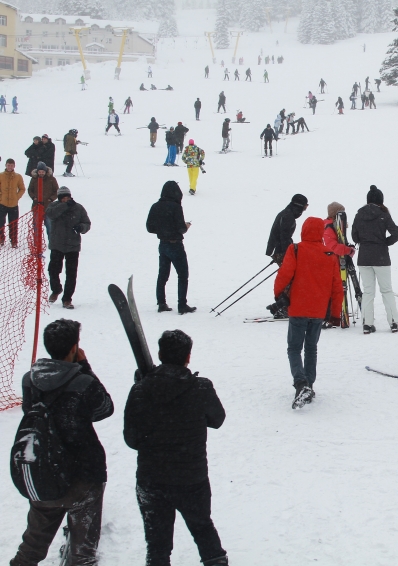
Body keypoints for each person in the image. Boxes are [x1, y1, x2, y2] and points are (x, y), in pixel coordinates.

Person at [9, 318, 114, 566]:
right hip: (83, 475)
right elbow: (104, 409)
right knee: (82, 554)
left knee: (32, 545)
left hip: (44, 470)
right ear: (73, 349)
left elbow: (29, 411)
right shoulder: (83, 382)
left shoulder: (29, 379)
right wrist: (84, 366)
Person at [123, 329, 228, 566]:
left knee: (157, 546)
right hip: (192, 478)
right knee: (203, 528)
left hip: (152, 480)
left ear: (160, 354)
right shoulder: (201, 388)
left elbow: (132, 439)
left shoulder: (140, 390)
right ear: (188, 356)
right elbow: (217, 419)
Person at [273, 217, 344, 408]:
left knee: (294, 348)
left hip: (298, 308)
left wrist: (279, 296)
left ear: (303, 230)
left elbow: (284, 275)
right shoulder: (330, 254)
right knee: (311, 348)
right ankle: (309, 385)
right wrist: (336, 314)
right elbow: (337, 287)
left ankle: (301, 383)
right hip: (318, 311)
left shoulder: (296, 249)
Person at [352, 186, 398, 334]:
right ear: (381, 200)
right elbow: (396, 233)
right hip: (381, 257)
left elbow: (354, 236)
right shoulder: (383, 214)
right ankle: (393, 322)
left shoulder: (359, 214)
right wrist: (384, 242)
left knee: (368, 292)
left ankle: (367, 324)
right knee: (386, 290)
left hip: (364, 257)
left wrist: (365, 242)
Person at [146, 181, 195, 313]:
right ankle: (182, 305)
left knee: (162, 275)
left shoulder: (155, 206)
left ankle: (161, 303)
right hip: (176, 245)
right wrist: (186, 226)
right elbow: (181, 229)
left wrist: (162, 229)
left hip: (163, 245)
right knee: (183, 275)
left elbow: (150, 228)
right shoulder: (175, 207)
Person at [46, 186, 91, 309]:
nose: (66, 200)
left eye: (67, 197)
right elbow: (51, 215)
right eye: (63, 198)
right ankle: (56, 289)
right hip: (57, 244)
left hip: (73, 246)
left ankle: (67, 299)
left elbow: (87, 223)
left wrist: (81, 227)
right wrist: (65, 206)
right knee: (53, 270)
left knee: (71, 274)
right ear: (59, 199)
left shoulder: (79, 208)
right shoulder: (53, 207)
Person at [267, 194, 309, 265]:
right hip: (280, 251)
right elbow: (284, 237)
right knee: (290, 273)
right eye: (305, 206)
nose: (305, 209)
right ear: (299, 206)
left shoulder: (286, 213)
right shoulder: (288, 216)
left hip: (278, 250)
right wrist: (289, 252)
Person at [1, 158, 26, 248]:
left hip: (13, 205)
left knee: (13, 224)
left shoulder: (18, 176)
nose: (10, 167)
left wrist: (16, 197)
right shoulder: (1, 176)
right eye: (8, 165)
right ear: (5, 165)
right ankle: (1, 239)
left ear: (14, 166)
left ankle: (14, 241)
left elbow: (22, 189)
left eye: (11, 165)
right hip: (2, 204)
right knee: (0, 223)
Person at [28, 162, 59, 234]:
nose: (41, 173)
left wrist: (51, 199)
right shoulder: (34, 179)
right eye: (40, 172)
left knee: (49, 226)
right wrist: (33, 197)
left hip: (48, 206)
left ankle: (51, 243)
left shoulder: (51, 179)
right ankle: (36, 243)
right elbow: (30, 190)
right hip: (37, 206)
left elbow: (56, 191)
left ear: (46, 171)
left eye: (43, 172)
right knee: (36, 226)